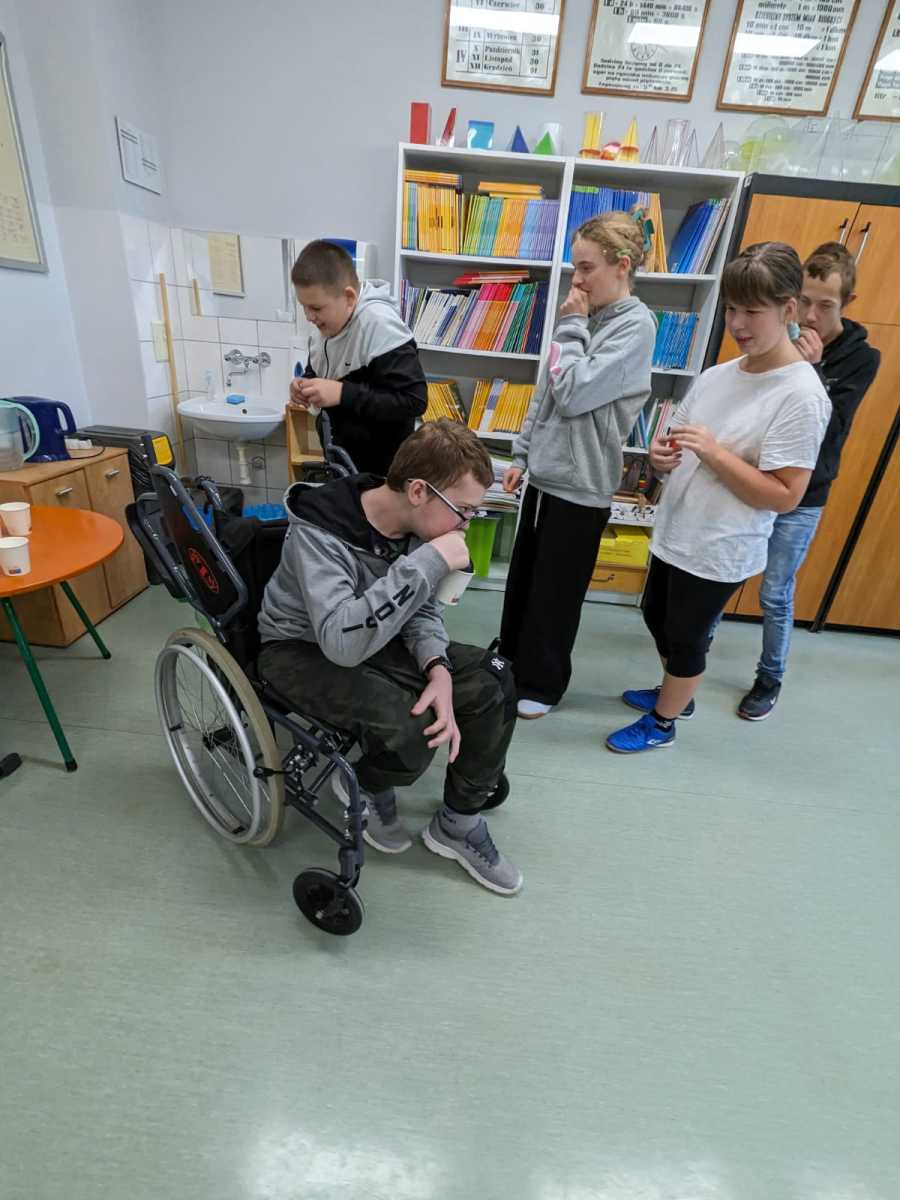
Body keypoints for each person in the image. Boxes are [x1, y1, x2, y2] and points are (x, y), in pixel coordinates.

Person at [256, 419, 522, 896]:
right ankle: (365, 782)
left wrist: (437, 668)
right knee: (410, 732)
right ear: (418, 491)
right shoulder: (320, 534)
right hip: (300, 647)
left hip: (374, 635)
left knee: (493, 679)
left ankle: (458, 825)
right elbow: (342, 644)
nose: (465, 525)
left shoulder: (415, 524)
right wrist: (429, 561)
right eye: (463, 511)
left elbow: (420, 609)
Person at [607, 242, 831, 754]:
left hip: (721, 544)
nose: (737, 323)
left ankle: (664, 722)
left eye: (752, 311)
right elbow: (680, 438)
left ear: (789, 310)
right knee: (656, 616)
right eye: (731, 309)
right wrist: (662, 456)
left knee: (686, 637)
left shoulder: (801, 394)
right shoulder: (718, 375)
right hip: (678, 528)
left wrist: (713, 453)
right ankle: (676, 693)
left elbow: (785, 496)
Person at [498, 211, 657, 719]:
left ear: (622, 265)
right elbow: (546, 391)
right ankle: (510, 663)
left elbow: (572, 393)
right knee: (524, 581)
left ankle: (543, 685)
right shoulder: (585, 317)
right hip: (545, 478)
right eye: (575, 269)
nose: (578, 281)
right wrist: (523, 453)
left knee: (556, 593)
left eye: (587, 268)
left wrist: (570, 327)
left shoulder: (635, 326)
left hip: (582, 485)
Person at [735, 241, 881, 720]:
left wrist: (812, 371)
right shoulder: (781, 334)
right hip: (755, 481)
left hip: (804, 495)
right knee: (724, 574)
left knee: (775, 591)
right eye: (805, 301)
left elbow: (832, 430)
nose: (812, 315)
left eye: (826, 305)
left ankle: (770, 677)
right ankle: (686, 667)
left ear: (847, 304)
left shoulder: (862, 359)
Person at [289, 240, 427, 475]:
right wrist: (305, 384)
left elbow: (413, 401)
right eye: (304, 307)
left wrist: (342, 393)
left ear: (349, 298)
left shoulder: (380, 325)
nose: (309, 317)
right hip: (343, 463)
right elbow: (322, 370)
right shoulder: (328, 321)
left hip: (382, 472)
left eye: (316, 308)